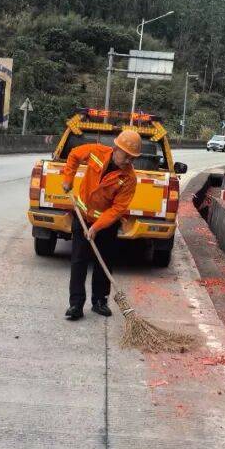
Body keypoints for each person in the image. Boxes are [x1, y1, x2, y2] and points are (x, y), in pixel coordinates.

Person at [61, 129, 142, 320]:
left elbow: (117, 209)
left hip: (106, 225)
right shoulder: (97, 152)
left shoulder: (129, 179)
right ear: (116, 148)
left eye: (133, 158)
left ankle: (99, 301)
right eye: (126, 156)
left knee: (104, 261)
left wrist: (96, 227)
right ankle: (76, 305)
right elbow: (74, 155)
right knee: (79, 261)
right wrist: (68, 179)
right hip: (82, 216)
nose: (129, 161)